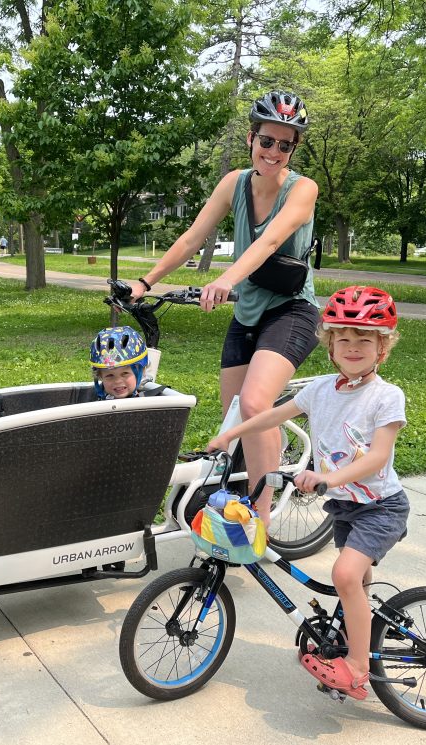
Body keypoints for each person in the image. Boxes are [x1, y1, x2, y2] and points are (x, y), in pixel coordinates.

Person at [125, 90, 321, 525]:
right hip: (249, 312)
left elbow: (271, 241)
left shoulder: (303, 189)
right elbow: (193, 237)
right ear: (252, 138)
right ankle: (251, 475)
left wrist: (225, 279)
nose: (273, 152)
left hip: (292, 311)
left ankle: (261, 522)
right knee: (235, 417)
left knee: (253, 406)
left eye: (284, 145)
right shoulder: (234, 183)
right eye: (266, 141)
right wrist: (145, 282)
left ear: (294, 148)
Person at [207, 285, 407, 702]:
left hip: (380, 507)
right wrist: (230, 435)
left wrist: (327, 479)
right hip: (344, 507)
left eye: (364, 340)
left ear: (382, 348)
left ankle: (356, 667)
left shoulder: (386, 397)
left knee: (344, 575)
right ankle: (350, 637)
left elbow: (377, 458)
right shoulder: (319, 390)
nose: (353, 347)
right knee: (356, 584)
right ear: (330, 344)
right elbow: (272, 415)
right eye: (344, 339)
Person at [90, 326, 149, 400]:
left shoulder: (152, 404)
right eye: (110, 375)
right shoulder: (94, 405)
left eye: (125, 373)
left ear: (141, 371)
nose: (117, 381)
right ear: (100, 376)